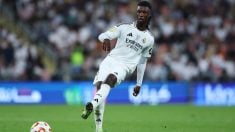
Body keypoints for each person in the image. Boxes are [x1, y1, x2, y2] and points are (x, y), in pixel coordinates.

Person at [81, 1, 154, 132]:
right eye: (139, 12)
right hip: (110, 60)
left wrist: (139, 84)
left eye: (144, 12)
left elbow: (143, 62)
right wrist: (106, 39)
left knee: (110, 79)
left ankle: (91, 104)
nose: (141, 14)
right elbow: (102, 35)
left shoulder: (149, 39)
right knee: (100, 88)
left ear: (149, 15)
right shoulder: (124, 27)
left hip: (125, 66)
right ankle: (98, 129)